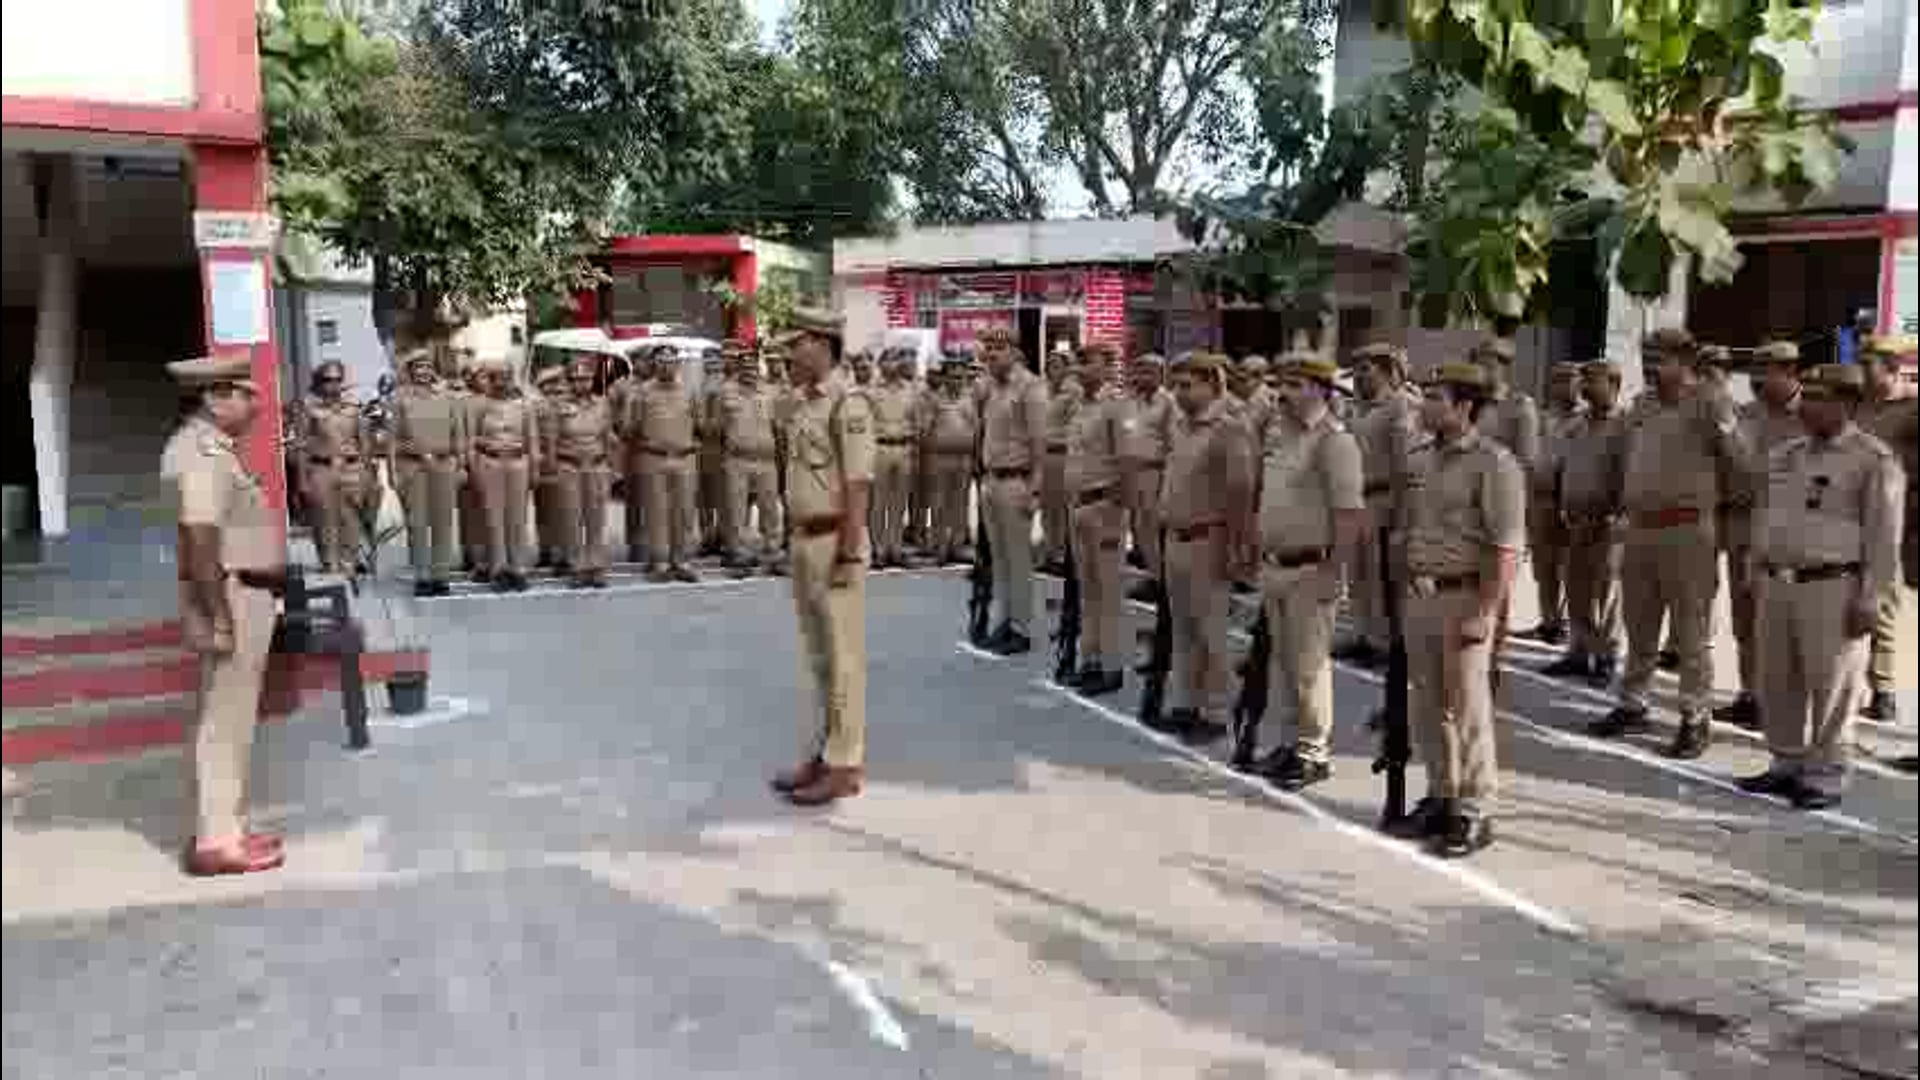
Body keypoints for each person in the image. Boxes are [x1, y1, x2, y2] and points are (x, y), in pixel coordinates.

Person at [1738, 364, 1905, 809]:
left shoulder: (1874, 460)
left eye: (1818, 398)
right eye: (1806, 396)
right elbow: (1765, 514)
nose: (1806, 406)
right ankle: (1786, 763)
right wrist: (1754, 565)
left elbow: (1884, 537)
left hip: (1834, 586)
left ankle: (1827, 775)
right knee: (1777, 678)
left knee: (1833, 684)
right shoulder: (1786, 454)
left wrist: (1871, 597)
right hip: (1777, 580)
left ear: (1846, 404)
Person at [1390, 361, 1525, 856]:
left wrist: (1486, 610)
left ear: (1464, 406)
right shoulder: (1420, 459)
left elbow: (1507, 546)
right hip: (1421, 596)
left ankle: (1476, 807)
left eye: (1435, 398)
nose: (1424, 406)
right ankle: (1442, 794)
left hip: (1464, 594)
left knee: (1468, 706)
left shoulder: (1494, 463)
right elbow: (1407, 528)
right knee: (1428, 704)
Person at [1590, 328, 1743, 758]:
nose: (1650, 366)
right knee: (1639, 625)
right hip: (1641, 530)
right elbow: (1622, 462)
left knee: (1691, 632)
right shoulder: (1641, 406)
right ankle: (1632, 703)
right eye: (1647, 357)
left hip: (1688, 531)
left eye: (1659, 359)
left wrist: (1720, 513)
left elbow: (1741, 465)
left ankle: (1695, 716)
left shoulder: (1710, 403)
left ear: (1685, 361)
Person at [163, 354, 286, 876]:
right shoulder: (201, 452)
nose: (254, 404)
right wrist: (218, 615)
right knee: (224, 721)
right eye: (245, 394)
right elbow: (200, 537)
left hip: (239, 593)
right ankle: (218, 841)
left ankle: (227, 825)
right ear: (215, 398)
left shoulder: (211, 448)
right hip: (230, 596)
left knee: (231, 717)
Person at [767, 309, 875, 807]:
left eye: (798, 343)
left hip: (835, 542)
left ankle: (845, 764)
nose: (790, 352)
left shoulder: (848, 403)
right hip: (805, 540)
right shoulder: (804, 403)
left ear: (822, 343)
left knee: (843, 658)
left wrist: (849, 553)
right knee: (821, 659)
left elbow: (858, 484)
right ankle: (828, 752)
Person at [1245, 353, 1362, 787]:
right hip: (1276, 565)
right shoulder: (1280, 436)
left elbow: (1348, 514)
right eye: (1281, 384)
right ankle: (1288, 742)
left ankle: (1313, 751)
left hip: (1311, 567)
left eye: (1294, 386)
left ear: (1319, 390)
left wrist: (1335, 570)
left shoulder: (1335, 442)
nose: (1282, 393)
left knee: (1309, 665)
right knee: (1283, 663)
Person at [1714, 341, 1807, 731]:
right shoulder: (1747, 414)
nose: (1756, 377)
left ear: (1789, 371)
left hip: (1789, 531)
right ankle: (1750, 696)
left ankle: (1783, 701)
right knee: (1745, 617)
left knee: (1784, 620)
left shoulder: (1811, 416)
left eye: (1764, 370)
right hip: (1743, 526)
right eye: (1755, 369)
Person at [1543, 361, 1628, 683]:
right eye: (1585, 380)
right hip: (1574, 519)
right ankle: (1579, 653)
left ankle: (1606, 657)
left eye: (1594, 380)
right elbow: (1564, 466)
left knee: (1606, 592)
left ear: (1614, 385)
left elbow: (1628, 473)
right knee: (1576, 590)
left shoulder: (1624, 425)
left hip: (1607, 521)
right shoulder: (1577, 424)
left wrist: (1617, 515)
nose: (1586, 386)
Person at [1336, 344, 1420, 667]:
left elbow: (1405, 466)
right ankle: (1364, 634)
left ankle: (1387, 642)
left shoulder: (1401, 406)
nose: (1358, 376)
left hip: (1384, 499)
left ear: (1387, 371)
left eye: (1366, 369)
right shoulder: (1356, 407)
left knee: (1383, 576)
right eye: (1357, 369)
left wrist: (1403, 514)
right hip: (1357, 500)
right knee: (1358, 574)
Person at [1856, 334, 1917, 725]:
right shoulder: (1858, 405)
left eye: (1869, 365)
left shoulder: (1912, 408)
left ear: (1892, 368)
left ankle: (1884, 691)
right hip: (1852, 515)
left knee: (1883, 603)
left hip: (1893, 517)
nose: (1862, 371)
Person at [975, 327, 1048, 653]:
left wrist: (1035, 491)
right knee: (1000, 560)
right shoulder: (992, 388)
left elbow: (1039, 443)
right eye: (988, 348)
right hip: (992, 481)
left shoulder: (1030, 387)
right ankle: (1004, 620)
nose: (991, 354)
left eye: (998, 348)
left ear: (1015, 352)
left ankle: (1021, 629)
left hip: (1016, 481)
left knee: (1018, 561)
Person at [1063, 344, 1129, 696]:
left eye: (1089, 362)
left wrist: (1116, 506)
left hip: (1105, 506)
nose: (1081, 367)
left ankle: (1111, 666)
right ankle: (1089, 660)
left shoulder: (1116, 405)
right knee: (1087, 589)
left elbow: (1126, 460)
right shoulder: (1080, 406)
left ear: (1108, 367)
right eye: (1080, 362)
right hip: (1079, 505)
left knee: (1108, 590)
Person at [389, 349, 468, 598]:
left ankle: (440, 575)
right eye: (417, 367)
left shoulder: (448, 397)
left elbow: (459, 435)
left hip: (444, 464)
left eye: (426, 366)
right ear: (410, 371)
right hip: (413, 467)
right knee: (418, 523)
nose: (423, 371)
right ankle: (422, 576)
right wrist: (392, 471)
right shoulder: (400, 398)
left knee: (443, 521)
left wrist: (462, 465)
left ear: (433, 369)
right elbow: (393, 439)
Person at [1523, 362, 1584, 644]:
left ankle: (1571, 626)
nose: (1562, 386)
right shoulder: (1544, 418)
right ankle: (1549, 622)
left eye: (1569, 380)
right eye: (1558, 380)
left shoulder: (1586, 419)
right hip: (1542, 500)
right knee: (1544, 568)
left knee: (1571, 569)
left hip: (1570, 503)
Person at [467, 357, 540, 590]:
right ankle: (498, 569)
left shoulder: (525, 405)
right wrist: (473, 467)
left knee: (517, 518)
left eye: (506, 377)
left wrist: (535, 468)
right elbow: (470, 439)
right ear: (490, 380)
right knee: (493, 517)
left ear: (512, 378)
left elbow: (533, 439)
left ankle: (518, 568)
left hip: (518, 462)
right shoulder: (479, 405)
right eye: (497, 377)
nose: (502, 382)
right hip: (490, 461)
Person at [292, 360, 372, 573]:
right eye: (328, 380)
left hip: (351, 468)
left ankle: (349, 561)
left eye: (337, 379)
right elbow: (301, 446)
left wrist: (366, 473)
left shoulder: (354, 408)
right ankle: (329, 562)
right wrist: (302, 480)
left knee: (351, 518)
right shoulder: (308, 408)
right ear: (319, 382)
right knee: (324, 519)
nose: (333, 384)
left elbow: (364, 443)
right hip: (321, 468)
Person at [633, 345, 700, 582]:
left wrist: (690, 445)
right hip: (654, 458)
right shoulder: (642, 392)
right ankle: (660, 561)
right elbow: (631, 427)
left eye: (670, 361)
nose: (666, 366)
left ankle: (682, 561)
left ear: (677, 364)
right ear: (654, 364)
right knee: (656, 511)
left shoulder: (689, 391)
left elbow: (700, 423)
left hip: (684, 458)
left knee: (684, 511)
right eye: (661, 361)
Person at [552, 358, 616, 589]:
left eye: (586, 379)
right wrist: (553, 467)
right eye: (576, 379)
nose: (582, 383)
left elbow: (608, 437)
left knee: (596, 518)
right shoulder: (558, 406)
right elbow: (551, 439)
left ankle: (596, 566)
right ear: (570, 382)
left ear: (592, 380)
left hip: (596, 466)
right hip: (570, 466)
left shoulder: (603, 404)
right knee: (572, 518)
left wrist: (612, 468)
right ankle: (577, 567)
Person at [720, 348, 784, 575]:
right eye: (745, 367)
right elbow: (717, 426)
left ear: (758, 369)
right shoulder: (726, 392)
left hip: (766, 461)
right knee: (737, 510)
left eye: (753, 367)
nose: (749, 371)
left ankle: (773, 553)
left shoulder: (769, 394)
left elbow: (778, 428)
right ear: (738, 369)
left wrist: (780, 458)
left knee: (770, 510)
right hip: (738, 460)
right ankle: (739, 554)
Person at [1121, 354, 1176, 601]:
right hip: (1133, 473)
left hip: (1154, 473)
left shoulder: (1168, 403)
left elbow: (1173, 444)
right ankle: (1152, 574)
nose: (1142, 377)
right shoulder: (1134, 401)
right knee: (1140, 528)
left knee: (1153, 529)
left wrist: (1166, 480)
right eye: (1139, 371)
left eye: (1148, 372)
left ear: (1161, 375)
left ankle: (1161, 581)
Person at [923, 360, 979, 563]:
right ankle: (939, 546)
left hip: (964, 458)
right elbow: (925, 430)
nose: (957, 381)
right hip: (940, 458)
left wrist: (976, 457)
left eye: (961, 377)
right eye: (954, 377)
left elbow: (978, 429)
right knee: (938, 503)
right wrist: (928, 456)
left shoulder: (971, 399)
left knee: (960, 504)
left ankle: (957, 546)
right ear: (945, 378)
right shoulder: (935, 400)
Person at [870, 350, 919, 567]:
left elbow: (917, 421)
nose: (894, 364)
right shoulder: (872, 391)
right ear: (880, 364)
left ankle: (896, 548)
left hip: (904, 447)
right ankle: (878, 549)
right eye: (889, 360)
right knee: (879, 502)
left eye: (897, 360)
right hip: (880, 447)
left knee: (899, 503)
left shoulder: (911, 390)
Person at [1040, 349, 1082, 574]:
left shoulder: (1074, 393)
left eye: (1056, 365)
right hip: (1044, 457)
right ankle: (1050, 551)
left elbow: (1076, 427)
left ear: (1067, 369)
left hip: (1063, 455)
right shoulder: (1042, 391)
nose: (1051, 370)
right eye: (1049, 365)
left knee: (1064, 509)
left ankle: (1065, 554)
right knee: (1048, 507)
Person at [531, 365, 570, 572]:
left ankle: (562, 554)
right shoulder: (535, 406)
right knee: (544, 511)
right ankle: (546, 551)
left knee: (565, 511)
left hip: (565, 463)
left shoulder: (568, 405)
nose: (554, 388)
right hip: (544, 464)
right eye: (549, 384)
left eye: (557, 383)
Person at [698, 348, 731, 557]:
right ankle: (707, 538)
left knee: (724, 497)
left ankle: (723, 537)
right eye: (707, 362)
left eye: (715, 362)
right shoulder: (699, 387)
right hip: (703, 448)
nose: (711, 366)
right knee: (705, 498)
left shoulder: (729, 388)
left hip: (723, 448)